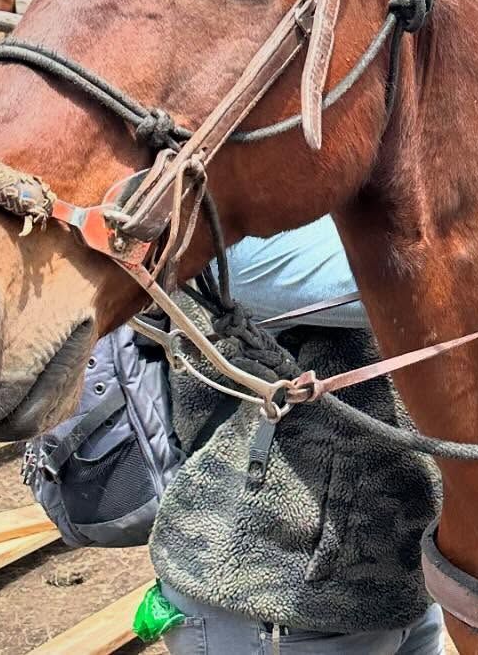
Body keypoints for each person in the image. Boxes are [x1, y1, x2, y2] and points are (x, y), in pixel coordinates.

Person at [151, 217, 447, 655]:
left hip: (404, 584)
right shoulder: (233, 240)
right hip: (273, 603)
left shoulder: (388, 208)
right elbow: (433, 281)